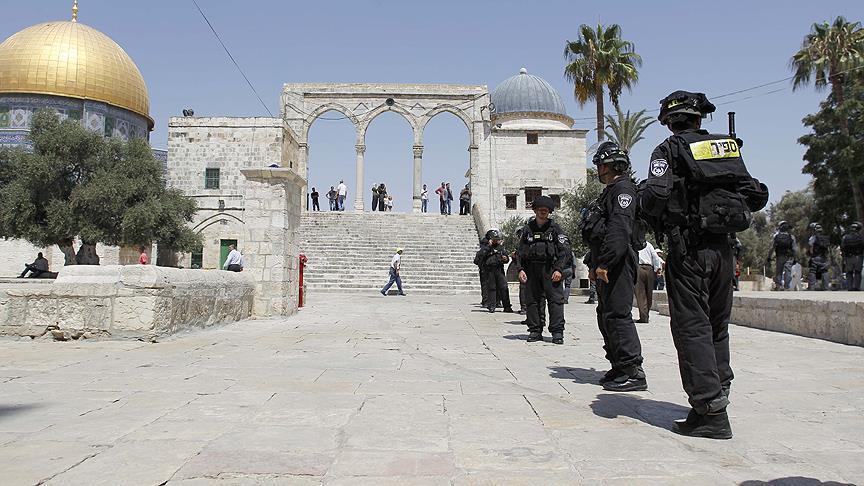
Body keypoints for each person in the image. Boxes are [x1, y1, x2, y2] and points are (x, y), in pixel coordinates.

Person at [640, 90, 768, 439]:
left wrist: (651, 205)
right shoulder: (726, 147)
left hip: (689, 251)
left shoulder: (668, 149)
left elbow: (655, 196)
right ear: (699, 118)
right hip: (724, 251)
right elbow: (756, 195)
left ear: (669, 121)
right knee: (716, 326)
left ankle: (710, 411)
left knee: (692, 328)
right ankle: (718, 394)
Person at [581, 142, 647, 392]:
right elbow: (600, 233)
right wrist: (594, 263)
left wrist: (605, 263)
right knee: (606, 314)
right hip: (606, 261)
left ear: (607, 166)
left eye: (600, 165)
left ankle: (633, 371)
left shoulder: (623, 190)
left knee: (618, 314)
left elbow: (619, 230)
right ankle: (619, 365)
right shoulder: (610, 191)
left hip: (618, 262)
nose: (598, 169)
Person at [517, 195, 570, 344]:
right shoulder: (528, 229)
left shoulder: (555, 229)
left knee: (556, 301)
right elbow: (520, 252)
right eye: (540, 209)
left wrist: (558, 269)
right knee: (532, 301)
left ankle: (557, 332)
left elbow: (564, 251)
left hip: (550, 269)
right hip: (532, 270)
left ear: (549, 211)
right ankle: (535, 330)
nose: (543, 212)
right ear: (535, 210)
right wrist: (520, 269)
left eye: (546, 210)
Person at [475, 230, 514, 313]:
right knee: (491, 288)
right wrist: (489, 246)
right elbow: (481, 255)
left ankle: (507, 306)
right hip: (489, 271)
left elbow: (506, 258)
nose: (496, 240)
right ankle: (491, 306)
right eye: (494, 239)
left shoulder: (501, 248)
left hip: (499, 269)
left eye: (497, 239)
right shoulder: (486, 248)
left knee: (504, 287)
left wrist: (505, 259)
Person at [636, 239, 663, 323]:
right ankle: (646, 314)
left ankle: (643, 316)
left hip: (638, 268)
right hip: (649, 269)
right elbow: (655, 257)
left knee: (640, 294)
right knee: (649, 293)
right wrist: (657, 269)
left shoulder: (634, 244)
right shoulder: (649, 244)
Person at [766, 221, 797, 290]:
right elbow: (794, 249)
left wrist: (769, 257)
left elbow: (772, 248)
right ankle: (787, 286)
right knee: (788, 271)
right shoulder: (791, 237)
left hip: (779, 256)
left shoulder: (776, 237)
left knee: (779, 271)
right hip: (789, 257)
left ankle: (778, 286)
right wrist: (795, 258)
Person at [807, 222, 831, 291]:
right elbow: (828, 249)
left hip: (815, 257)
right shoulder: (826, 238)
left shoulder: (813, 238)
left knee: (812, 271)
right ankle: (826, 287)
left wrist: (811, 255)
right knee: (824, 271)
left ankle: (812, 287)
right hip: (823, 257)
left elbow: (810, 247)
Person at [841, 222, 863, 291]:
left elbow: (842, 247)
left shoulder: (845, 237)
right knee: (858, 272)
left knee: (849, 273)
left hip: (848, 257)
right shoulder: (861, 237)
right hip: (858, 257)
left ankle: (849, 287)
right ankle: (857, 287)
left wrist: (844, 256)